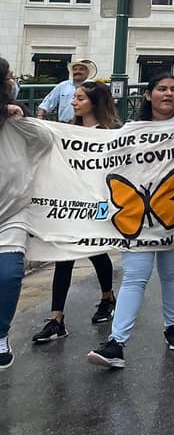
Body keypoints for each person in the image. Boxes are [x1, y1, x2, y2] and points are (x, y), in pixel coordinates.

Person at [89, 73, 174, 369]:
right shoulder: (130, 130)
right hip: (136, 216)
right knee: (134, 277)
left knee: (171, 273)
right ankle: (116, 343)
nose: (169, 94)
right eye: (162, 89)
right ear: (148, 94)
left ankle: (173, 326)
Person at [32, 81, 119, 345]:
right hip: (72, 201)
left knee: (95, 249)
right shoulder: (68, 130)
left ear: (95, 101)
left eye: (80, 98)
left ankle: (107, 297)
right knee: (64, 254)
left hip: (100, 200)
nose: (73, 101)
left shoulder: (112, 131)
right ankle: (56, 317)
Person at [1, 57, 35, 371]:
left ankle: (1, 334)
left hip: (11, 212)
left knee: (9, 274)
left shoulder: (16, 120)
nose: (14, 81)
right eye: (9, 77)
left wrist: (19, 116)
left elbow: (46, 141)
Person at [37, 58, 95, 122]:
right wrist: (40, 116)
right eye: (75, 69)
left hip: (85, 125)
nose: (77, 71)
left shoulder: (94, 86)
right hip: (64, 124)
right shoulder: (63, 85)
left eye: (81, 69)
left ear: (87, 72)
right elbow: (49, 101)